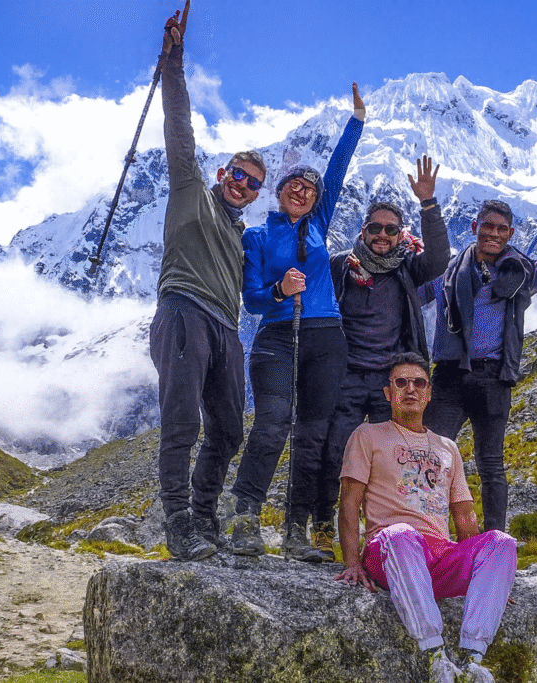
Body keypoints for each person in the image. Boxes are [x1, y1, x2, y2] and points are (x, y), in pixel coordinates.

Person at [150, 1, 267, 561]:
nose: (244, 185)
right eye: (239, 175)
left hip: (226, 328)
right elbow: (180, 127)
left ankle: (203, 517)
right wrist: (173, 65)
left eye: (253, 183)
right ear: (223, 174)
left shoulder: (244, 235)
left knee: (227, 428)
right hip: (182, 312)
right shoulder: (190, 188)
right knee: (181, 422)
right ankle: (178, 524)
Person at [229, 84, 366, 561]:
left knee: (312, 433)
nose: (303, 190)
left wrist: (356, 122)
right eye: (294, 184)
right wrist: (279, 292)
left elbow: (339, 169)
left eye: (310, 188)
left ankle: (295, 531)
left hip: (326, 336)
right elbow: (252, 302)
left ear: (315, 198)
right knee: (271, 423)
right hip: (276, 336)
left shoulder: (318, 223)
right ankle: (245, 518)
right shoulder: (258, 236)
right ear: (281, 190)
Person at [421, 168, 537, 533]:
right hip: (449, 376)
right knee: (431, 457)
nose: (494, 234)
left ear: (511, 234)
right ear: (474, 227)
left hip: (493, 378)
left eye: (502, 229)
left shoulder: (521, 274)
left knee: (491, 465)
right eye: (488, 226)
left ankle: (494, 543)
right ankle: (427, 532)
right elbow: (408, 294)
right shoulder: (445, 272)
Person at [335, 353, 516, 683]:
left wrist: (488, 577)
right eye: (400, 382)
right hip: (390, 550)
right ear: (388, 393)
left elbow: (463, 515)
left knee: (502, 543)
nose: (410, 389)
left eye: (419, 382)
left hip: (439, 556)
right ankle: (435, 657)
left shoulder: (447, 446)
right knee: (401, 533)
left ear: (429, 393)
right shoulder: (368, 435)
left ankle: (472, 660)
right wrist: (351, 562)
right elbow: (349, 502)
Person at [309, 156, 451, 562]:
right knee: (335, 453)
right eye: (375, 228)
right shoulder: (341, 268)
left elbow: (439, 258)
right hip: (345, 377)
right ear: (364, 231)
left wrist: (428, 204)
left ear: (400, 234)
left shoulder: (408, 269)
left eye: (391, 229)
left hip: (390, 384)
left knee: (389, 460)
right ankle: (321, 526)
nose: (383, 236)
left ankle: (381, 534)